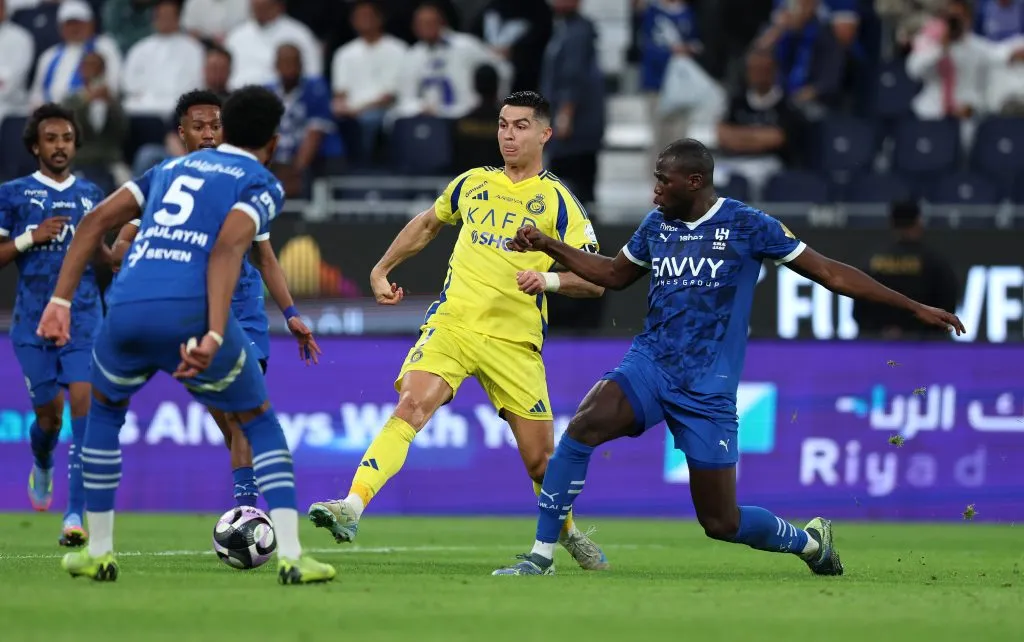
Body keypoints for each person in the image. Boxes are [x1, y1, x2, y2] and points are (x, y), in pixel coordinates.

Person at [492, 138, 965, 577]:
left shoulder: (747, 224)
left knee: (721, 521)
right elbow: (614, 275)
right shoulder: (657, 225)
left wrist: (913, 306)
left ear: (694, 181)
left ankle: (811, 544)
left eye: (664, 180)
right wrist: (548, 244)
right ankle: (541, 556)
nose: (655, 190)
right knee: (580, 430)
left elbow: (830, 274)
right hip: (651, 365)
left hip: (707, 389)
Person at [36, 86, 336, 585]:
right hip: (188, 312)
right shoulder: (259, 182)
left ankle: (100, 552)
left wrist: (60, 301)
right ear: (274, 141)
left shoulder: (165, 171)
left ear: (225, 128)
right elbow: (225, 252)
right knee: (259, 423)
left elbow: (93, 224)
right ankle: (290, 556)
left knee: (106, 418)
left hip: (125, 310)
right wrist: (215, 334)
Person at [306, 91, 611, 572]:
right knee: (412, 403)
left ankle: (566, 533)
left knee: (539, 462)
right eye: (504, 124)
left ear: (545, 134)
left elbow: (597, 281)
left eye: (522, 126)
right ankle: (352, 504)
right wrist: (382, 268)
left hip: (515, 340)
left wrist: (548, 279)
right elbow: (428, 224)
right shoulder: (473, 183)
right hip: (453, 322)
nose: (509, 134)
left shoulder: (560, 201)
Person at [110, 89, 320, 511]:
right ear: (182, 132)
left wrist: (292, 313)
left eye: (216, 125)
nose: (208, 133)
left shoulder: (242, 180)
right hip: (189, 310)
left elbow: (265, 256)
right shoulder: (168, 180)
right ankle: (252, 484)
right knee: (227, 418)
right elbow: (119, 247)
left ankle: (245, 511)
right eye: (199, 126)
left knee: (242, 412)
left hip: (242, 308)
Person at [0, 104, 106, 548]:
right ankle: (42, 459)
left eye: (66, 138)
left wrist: (116, 254)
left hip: (84, 316)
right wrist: (30, 237)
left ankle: (74, 514)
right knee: (50, 414)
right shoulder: (12, 194)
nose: (59, 146)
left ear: (75, 144)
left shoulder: (92, 194)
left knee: (83, 404)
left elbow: (102, 255)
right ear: (35, 146)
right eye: (51, 139)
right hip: (32, 321)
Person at [853, 201, 959, 340]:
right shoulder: (935, 262)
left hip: (881, 345)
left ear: (891, 223)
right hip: (924, 346)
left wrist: (883, 331)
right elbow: (947, 306)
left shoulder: (872, 262)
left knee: (891, 363)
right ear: (919, 222)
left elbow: (859, 310)